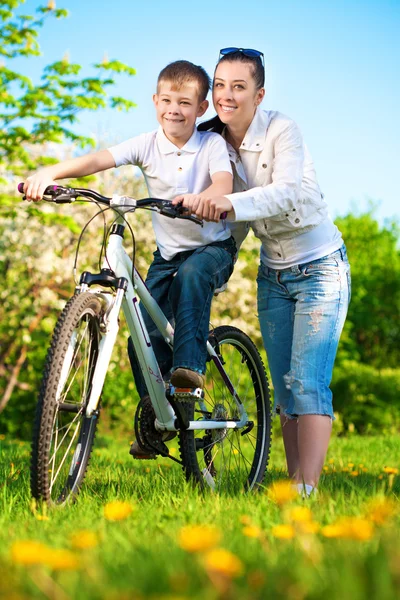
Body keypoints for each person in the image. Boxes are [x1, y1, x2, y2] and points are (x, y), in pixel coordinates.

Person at [23, 59, 238, 457]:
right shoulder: (146, 144)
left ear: (202, 108)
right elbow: (96, 161)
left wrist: (205, 198)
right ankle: (157, 418)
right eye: (167, 100)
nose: (175, 109)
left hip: (211, 250)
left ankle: (189, 377)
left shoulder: (211, 146)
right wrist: (51, 172)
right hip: (167, 254)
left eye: (185, 103)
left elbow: (223, 182)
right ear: (155, 101)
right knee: (141, 335)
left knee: (192, 277)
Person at [177, 48, 351, 495]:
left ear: (259, 93)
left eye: (238, 86)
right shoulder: (211, 142)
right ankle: (296, 486)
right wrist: (209, 268)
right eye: (219, 85)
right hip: (273, 273)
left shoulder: (282, 130)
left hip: (319, 269)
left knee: (308, 382)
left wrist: (229, 202)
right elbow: (229, 229)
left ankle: (306, 491)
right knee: (287, 393)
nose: (226, 96)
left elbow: (286, 194)